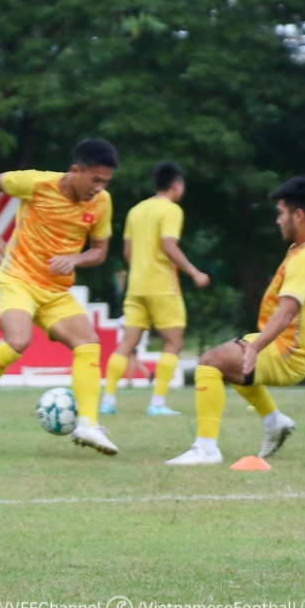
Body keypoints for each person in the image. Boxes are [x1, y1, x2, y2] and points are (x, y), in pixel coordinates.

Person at [0, 139, 119, 454]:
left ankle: (88, 425)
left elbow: (100, 252)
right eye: (95, 180)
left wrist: (76, 259)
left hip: (56, 291)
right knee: (18, 340)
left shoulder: (102, 203)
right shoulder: (38, 183)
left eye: (105, 182)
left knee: (89, 343)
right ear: (76, 170)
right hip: (19, 280)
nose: (99, 188)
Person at [167, 176, 305, 466]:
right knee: (231, 359)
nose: (278, 221)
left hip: (288, 353)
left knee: (210, 362)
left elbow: (287, 311)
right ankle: (274, 421)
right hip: (285, 346)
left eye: (281, 213)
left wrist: (256, 347)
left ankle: (206, 449)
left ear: (299, 215)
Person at [102, 161, 209, 417]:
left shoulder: (135, 211)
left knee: (126, 343)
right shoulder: (171, 210)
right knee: (173, 341)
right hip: (162, 285)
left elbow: (127, 252)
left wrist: (141, 267)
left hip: (135, 286)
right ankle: (157, 402)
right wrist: (194, 272)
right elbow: (168, 245)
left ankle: (108, 400)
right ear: (176, 185)